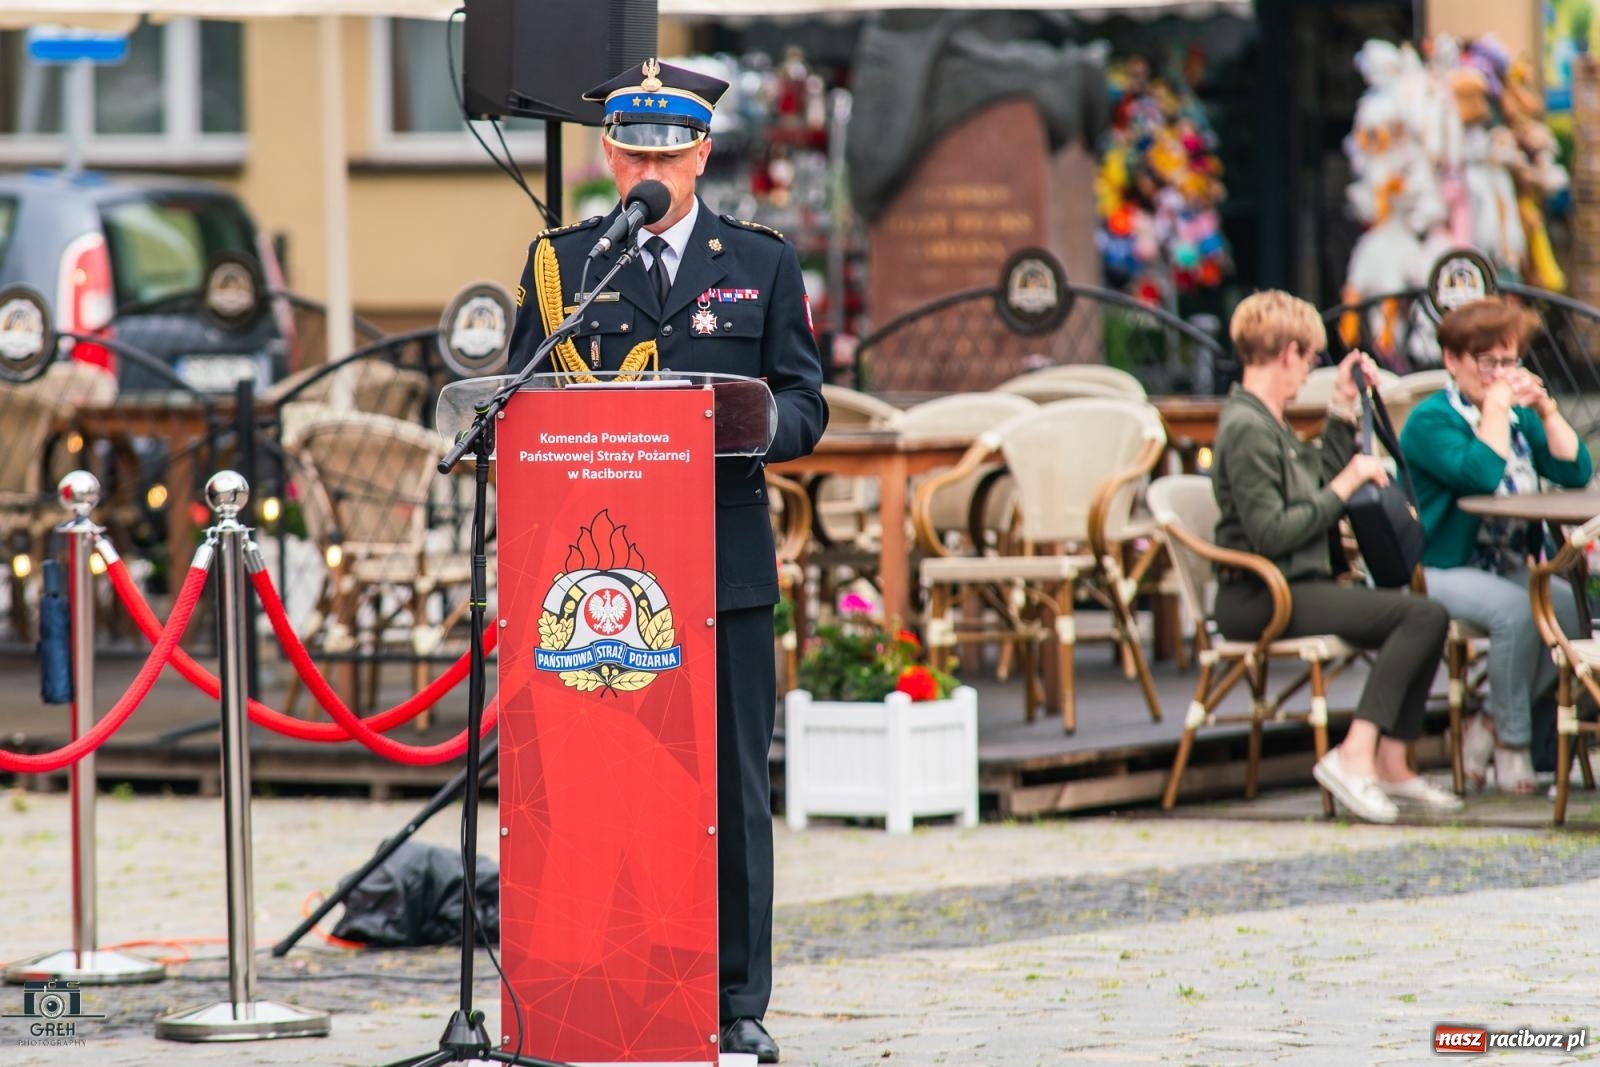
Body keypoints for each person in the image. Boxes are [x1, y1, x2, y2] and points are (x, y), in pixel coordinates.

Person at [506, 59, 827, 1064]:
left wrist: (753, 422)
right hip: (596, 579)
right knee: (597, 777)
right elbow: (520, 402)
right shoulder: (564, 263)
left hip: (719, 564)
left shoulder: (761, 262)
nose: (651, 166)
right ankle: (608, 969)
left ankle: (735, 997)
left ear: (702, 153)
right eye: (633, 150)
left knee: (730, 787)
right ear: (608, 155)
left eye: (669, 151)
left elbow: (806, 402)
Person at [1211, 290, 1455, 823]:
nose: (1308, 369)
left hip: (1291, 585)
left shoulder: (1263, 420)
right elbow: (1273, 532)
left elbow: (1314, 488)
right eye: (1310, 358)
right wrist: (1347, 482)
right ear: (1288, 353)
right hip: (1261, 594)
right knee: (1422, 615)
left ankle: (1390, 761)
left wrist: (1344, 409)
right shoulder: (1248, 428)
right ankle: (1356, 755)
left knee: (1425, 615)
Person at [1399, 297, 1590, 794]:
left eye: (1510, 361)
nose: (1501, 374)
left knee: (1573, 614)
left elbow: (1575, 471)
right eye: (1488, 363)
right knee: (1518, 612)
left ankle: (1485, 722)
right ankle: (1512, 745)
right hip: (1440, 565)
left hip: (1503, 564)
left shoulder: (1521, 418)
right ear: (1452, 361)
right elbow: (1480, 474)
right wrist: (1499, 406)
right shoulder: (1430, 421)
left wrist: (1545, 408)